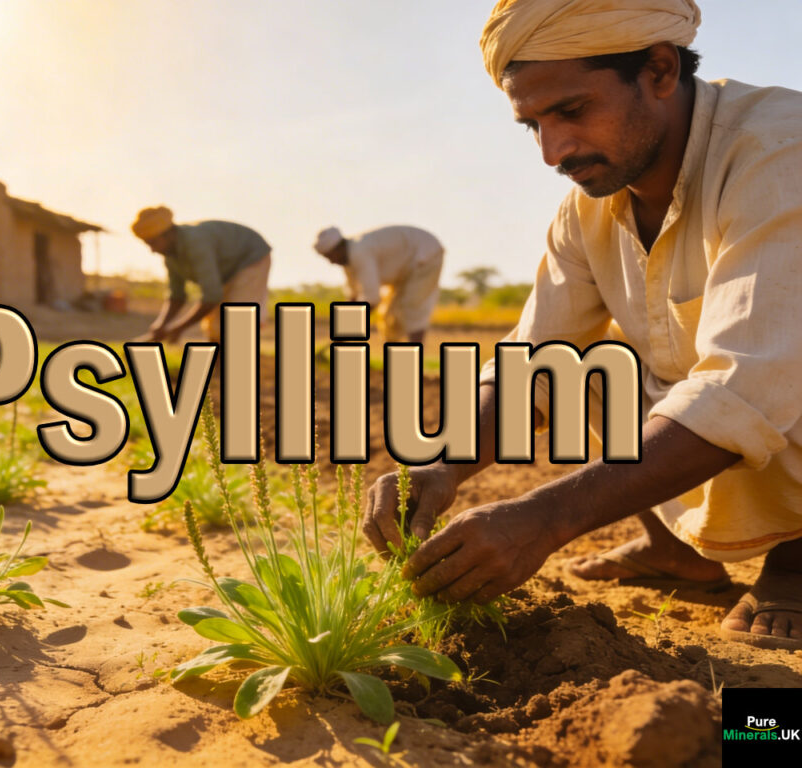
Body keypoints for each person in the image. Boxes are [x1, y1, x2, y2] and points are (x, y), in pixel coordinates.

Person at [364, 0, 802, 650]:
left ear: (658, 69)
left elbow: (748, 389)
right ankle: (676, 552)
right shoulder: (588, 209)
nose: (552, 151)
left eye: (570, 110)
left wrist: (544, 519)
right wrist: (443, 468)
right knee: (592, 368)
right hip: (743, 408)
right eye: (532, 124)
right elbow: (533, 360)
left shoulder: (778, 149)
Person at [131, 206, 271, 343]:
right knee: (215, 327)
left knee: (237, 318)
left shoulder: (196, 243)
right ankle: (219, 363)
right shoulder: (171, 257)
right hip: (226, 272)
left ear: (168, 234)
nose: (152, 250)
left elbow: (211, 297)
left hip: (250, 258)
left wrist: (178, 328)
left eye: (153, 243)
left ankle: (239, 361)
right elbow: (177, 296)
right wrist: (162, 325)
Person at [313, 225, 444, 343]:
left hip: (424, 255)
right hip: (404, 270)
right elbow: (354, 298)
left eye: (329, 256)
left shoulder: (360, 252)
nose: (330, 262)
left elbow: (372, 300)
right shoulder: (349, 264)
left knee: (411, 307)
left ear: (338, 248)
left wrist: (349, 329)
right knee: (388, 317)